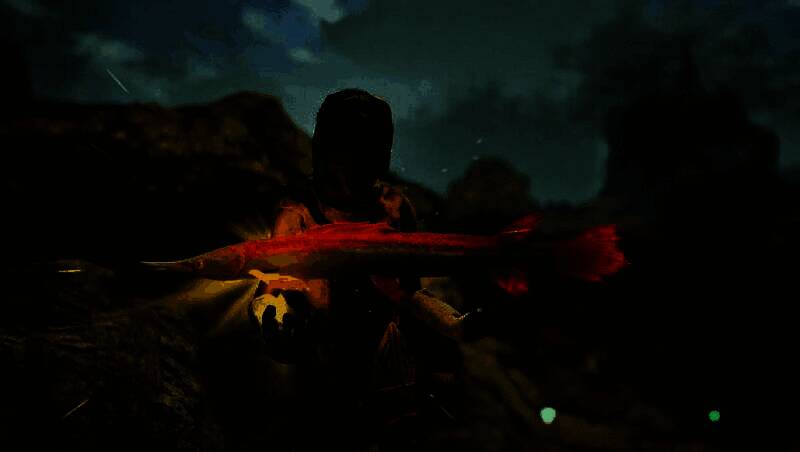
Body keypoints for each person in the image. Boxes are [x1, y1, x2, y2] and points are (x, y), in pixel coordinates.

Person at [249, 88, 470, 449]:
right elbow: (273, 287)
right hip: (322, 369)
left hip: (387, 368)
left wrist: (442, 336)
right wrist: (271, 312)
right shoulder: (297, 212)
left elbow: (408, 291)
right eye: (358, 146)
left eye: (376, 146)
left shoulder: (394, 207)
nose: (369, 160)